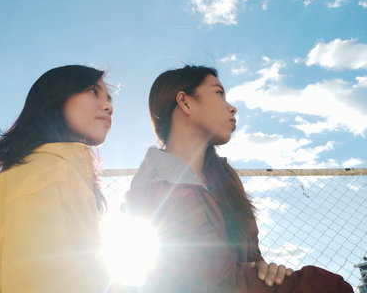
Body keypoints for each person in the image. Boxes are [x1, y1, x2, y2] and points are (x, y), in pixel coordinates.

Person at [124, 65, 353, 293]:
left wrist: (265, 269)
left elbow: (249, 257)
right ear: (185, 102)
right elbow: (213, 282)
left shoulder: (225, 177)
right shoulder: (159, 182)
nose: (232, 108)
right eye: (219, 93)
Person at [0, 65, 114, 293]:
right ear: (57, 96)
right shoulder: (48, 174)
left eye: (109, 98)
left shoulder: (43, 171)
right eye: (93, 91)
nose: (109, 106)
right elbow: (44, 283)